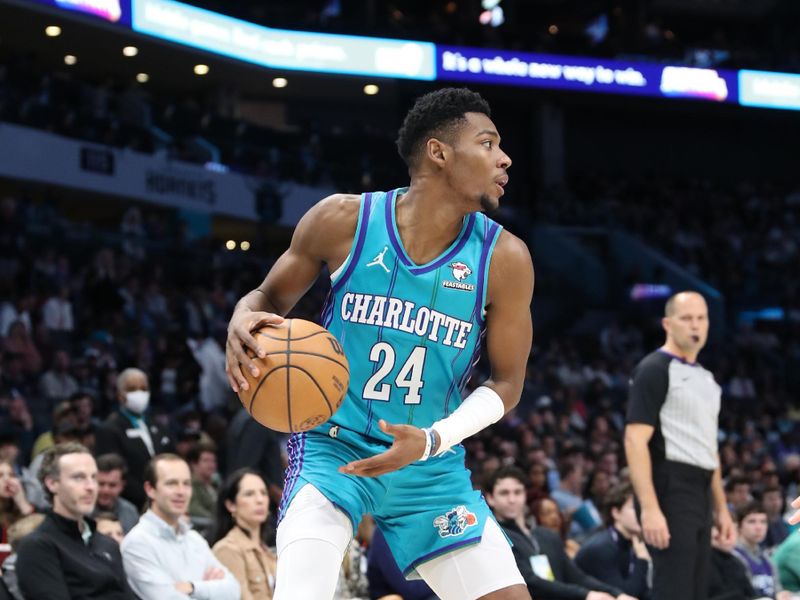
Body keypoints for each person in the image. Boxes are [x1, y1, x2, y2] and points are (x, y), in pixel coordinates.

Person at [225, 87, 534, 600]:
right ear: (439, 152)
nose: (504, 158)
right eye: (487, 143)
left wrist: (433, 439)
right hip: (332, 449)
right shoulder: (342, 221)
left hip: (430, 466)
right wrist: (242, 313)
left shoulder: (505, 258)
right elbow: (266, 298)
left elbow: (507, 384)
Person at [624, 291, 735, 600]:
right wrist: (649, 508)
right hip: (669, 486)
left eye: (701, 318)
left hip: (700, 489)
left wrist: (722, 510)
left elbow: (708, 448)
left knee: (697, 589)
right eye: (686, 318)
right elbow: (635, 440)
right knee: (673, 589)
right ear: (667, 323)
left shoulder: (708, 379)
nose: (695, 325)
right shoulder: (654, 369)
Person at [487, 465, 636, 600]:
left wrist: (617, 594)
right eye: (504, 493)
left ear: (525, 494)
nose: (512, 499)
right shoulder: (495, 539)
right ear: (490, 498)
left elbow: (576, 576)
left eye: (517, 492)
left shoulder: (546, 535)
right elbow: (530, 582)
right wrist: (586, 595)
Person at [16, 443, 135, 599]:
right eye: (79, 478)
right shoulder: (38, 546)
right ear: (52, 483)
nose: (91, 487)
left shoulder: (107, 543)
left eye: (94, 478)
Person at [121, 453, 240, 599]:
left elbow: (233, 591)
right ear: (150, 489)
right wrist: (212, 590)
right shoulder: (137, 543)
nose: (181, 492)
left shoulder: (194, 539)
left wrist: (192, 587)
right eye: (171, 483)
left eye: (186, 484)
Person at [95, 368, 175, 507]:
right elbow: (116, 472)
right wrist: (151, 495)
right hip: (132, 503)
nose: (139, 393)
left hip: (163, 500)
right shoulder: (109, 429)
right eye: (132, 388)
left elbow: (172, 457)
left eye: (143, 388)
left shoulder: (158, 426)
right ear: (120, 395)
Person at [575, 482, 651, 599]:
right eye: (634, 507)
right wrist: (642, 560)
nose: (640, 513)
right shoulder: (601, 547)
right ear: (616, 513)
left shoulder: (631, 542)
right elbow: (625, 595)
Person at [211, 468, 278, 600]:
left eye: (263, 493)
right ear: (231, 505)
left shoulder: (268, 551)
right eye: (249, 494)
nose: (260, 500)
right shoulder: (227, 549)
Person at [732, 500, 790, 600]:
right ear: (739, 526)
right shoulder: (733, 557)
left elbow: (777, 590)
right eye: (752, 521)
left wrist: (782, 595)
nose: (759, 527)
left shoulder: (767, 560)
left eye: (763, 522)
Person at [93, 453, 140, 533]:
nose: (106, 490)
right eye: (101, 484)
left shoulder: (130, 512)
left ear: (122, 486)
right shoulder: (81, 510)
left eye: (112, 485)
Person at [708, 525, 756, 600]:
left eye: (734, 531)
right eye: (726, 533)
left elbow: (751, 593)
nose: (730, 538)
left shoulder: (737, 562)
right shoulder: (704, 563)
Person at [0, 459, 34, 563]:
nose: (7, 479)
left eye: (11, 475)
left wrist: (21, 501)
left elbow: (39, 534)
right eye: (0, 475)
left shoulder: (24, 508)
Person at [187, 442, 219, 522]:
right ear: (193, 464)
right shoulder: (190, 486)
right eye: (206, 461)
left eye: (213, 461)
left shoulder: (216, 485)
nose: (211, 465)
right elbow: (195, 510)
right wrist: (218, 521)